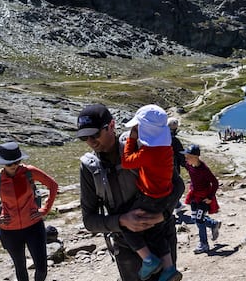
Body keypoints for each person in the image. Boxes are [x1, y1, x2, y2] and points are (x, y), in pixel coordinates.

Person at [77, 104, 184, 281]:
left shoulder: (143, 145)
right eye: (84, 138)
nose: (91, 141)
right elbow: (89, 220)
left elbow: (177, 185)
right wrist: (121, 221)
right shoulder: (89, 166)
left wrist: (163, 214)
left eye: (95, 134)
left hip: (161, 234)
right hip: (127, 247)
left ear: (111, 126)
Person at [0, 142, 58, 281]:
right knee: (20, 268)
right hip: (10, 231)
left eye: (16, 161)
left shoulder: (30, 172)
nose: (13, 166)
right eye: (9, 163)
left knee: (41, 269)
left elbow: (53, 185)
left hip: (34, 227)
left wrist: (45, 210)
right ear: (2, 163)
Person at [119, 105, 181, 281]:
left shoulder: (148, 152)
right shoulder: (166, 147)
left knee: (126, 225)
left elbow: (126, 161)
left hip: (149, 197)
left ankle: (148, 259)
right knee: (157, 230)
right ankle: (169, 267)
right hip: (165, 195)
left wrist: (131, 140)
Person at [181, 144, 222, 254]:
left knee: (199, 219)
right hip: (194, 196)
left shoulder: (204, 169)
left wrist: (210, 197)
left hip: (204, 198)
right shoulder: (189, 165)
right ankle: (213, 224)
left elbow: (215, 182)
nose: (185, 158)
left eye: (187, 156)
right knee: (195, 218)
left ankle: (204, 244)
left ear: (195, 157)